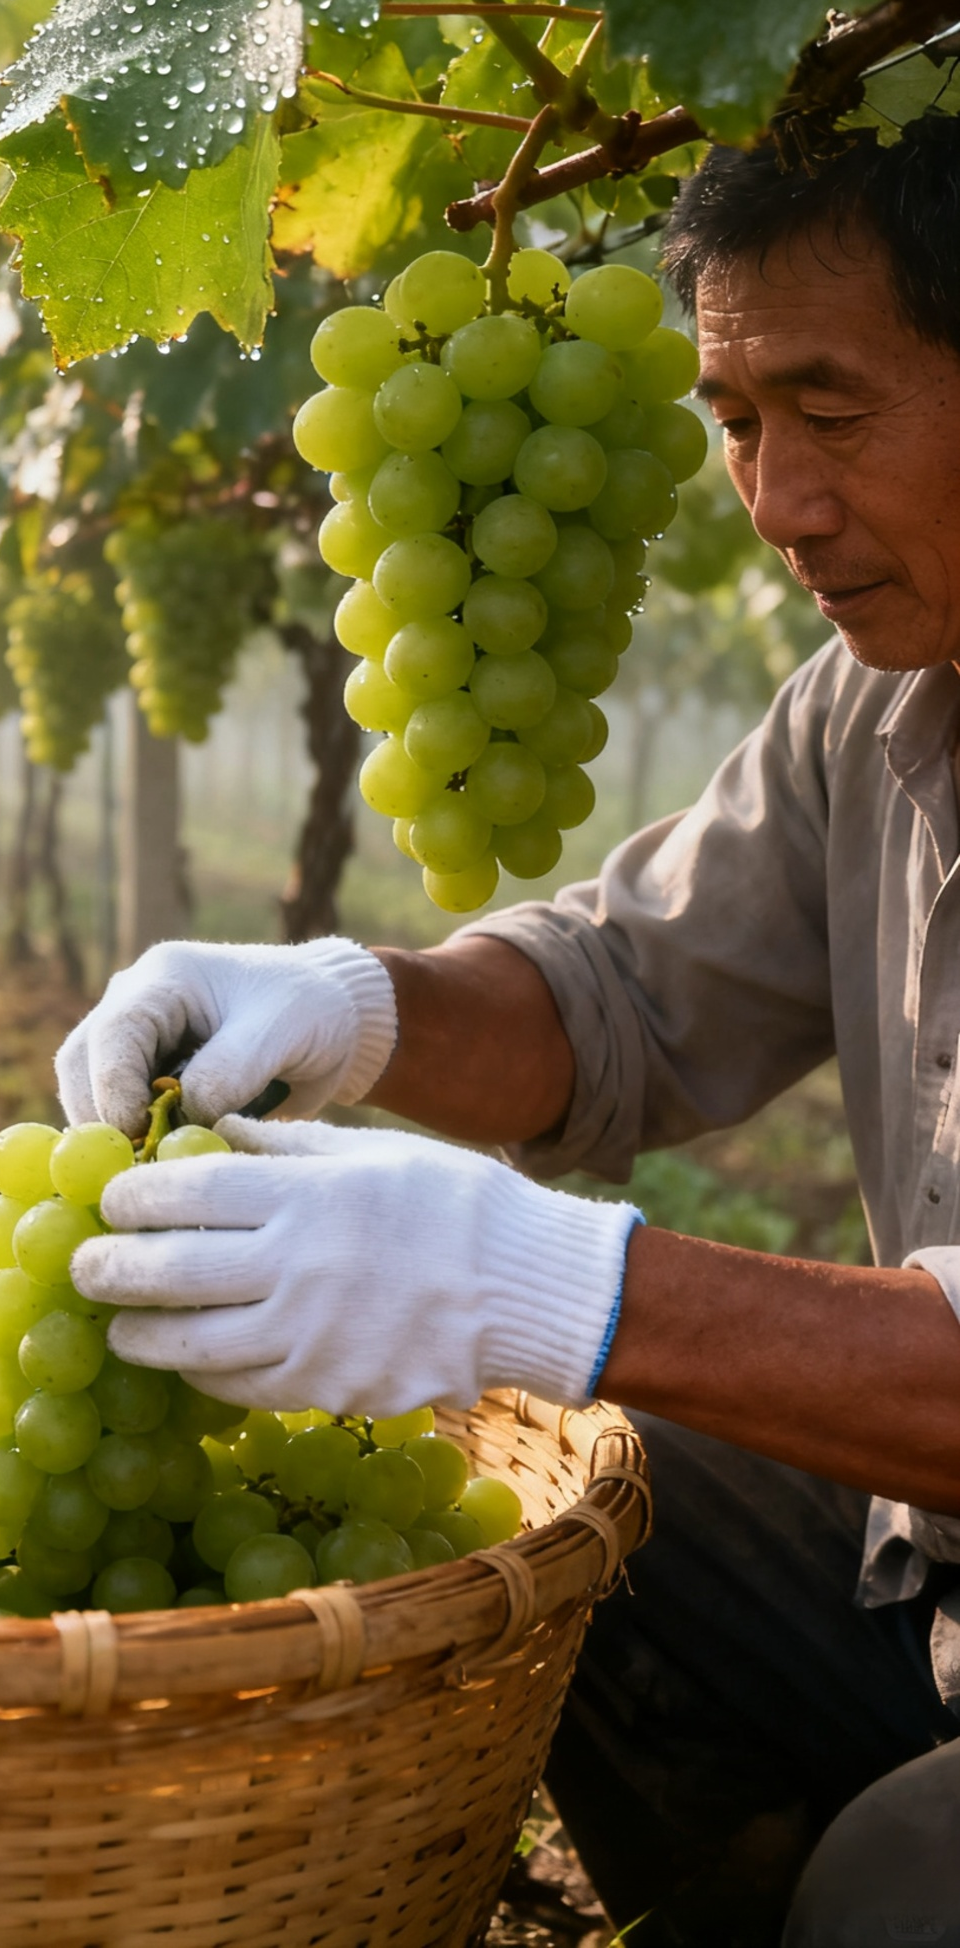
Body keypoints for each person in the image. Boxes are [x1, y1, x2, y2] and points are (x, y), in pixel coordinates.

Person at [61, 113, 960, 1945]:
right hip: (930, 1568)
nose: (776, 501)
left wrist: (549, 1279)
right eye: (732, 421)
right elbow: (617, 992)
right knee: (568, 1517)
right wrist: (354, 1008)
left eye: (833, 412)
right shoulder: (869, 713)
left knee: (891, 1897)